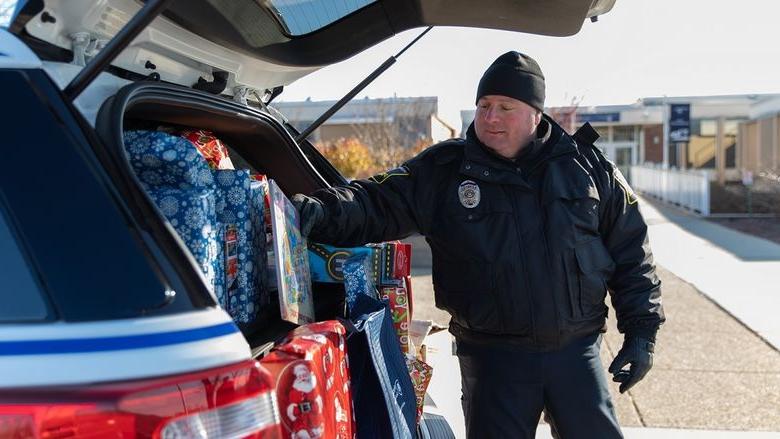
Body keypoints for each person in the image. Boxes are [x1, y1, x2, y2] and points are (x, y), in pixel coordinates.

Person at [292, 51, 664, 439]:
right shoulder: (443, 171)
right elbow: (376, 201)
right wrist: (323, 212)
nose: (490, 118)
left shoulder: (588, 169)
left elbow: (632, 253)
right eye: (484, 105)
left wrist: (642, 333)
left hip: (575, 353)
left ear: (536, 114)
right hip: (493, 361)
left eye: (506, 107)